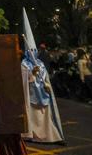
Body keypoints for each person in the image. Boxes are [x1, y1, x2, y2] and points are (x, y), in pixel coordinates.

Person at [21, 8, 64, 144]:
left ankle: (49, 134)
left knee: (45, 116)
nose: (33, 52)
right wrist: (31, 75)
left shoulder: (40, 62)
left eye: (34, 50)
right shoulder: (24, 64)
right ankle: (32, 134)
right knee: (33, 116)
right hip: (32, 95)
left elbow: (45, 77)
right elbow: (22, 81)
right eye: (30, 50)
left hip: (43, 94)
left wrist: (46, 84)